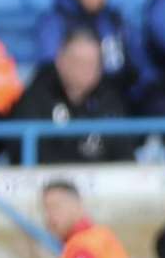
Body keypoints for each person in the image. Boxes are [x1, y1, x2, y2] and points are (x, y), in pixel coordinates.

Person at [10, 30, 134, 163]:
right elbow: (24, 151)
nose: (86, 70)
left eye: (93, 63)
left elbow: (124, 155)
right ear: (60, 61)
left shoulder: (109, 99)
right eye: (78, 62)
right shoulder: (36, 97)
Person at [36, 0, 131, 85]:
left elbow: (138, 63)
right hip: (73, 92)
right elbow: (49, 65)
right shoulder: (55, 21)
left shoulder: (114, 19)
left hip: (115, 93)